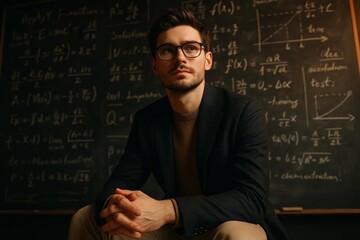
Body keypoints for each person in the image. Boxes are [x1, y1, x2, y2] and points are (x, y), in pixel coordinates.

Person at [68, 7, 288, 240]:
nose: (180, 57)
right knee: (86, 218)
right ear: (155, 66)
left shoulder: (242, 111)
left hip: (232, 224)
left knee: (235, 234)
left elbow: (252, 199)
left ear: (208, 60)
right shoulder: (148, 120)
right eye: (167, 51)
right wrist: (116, 202)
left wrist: (167, 209)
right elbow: (121, 181)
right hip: (179, 231)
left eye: (191, 48)